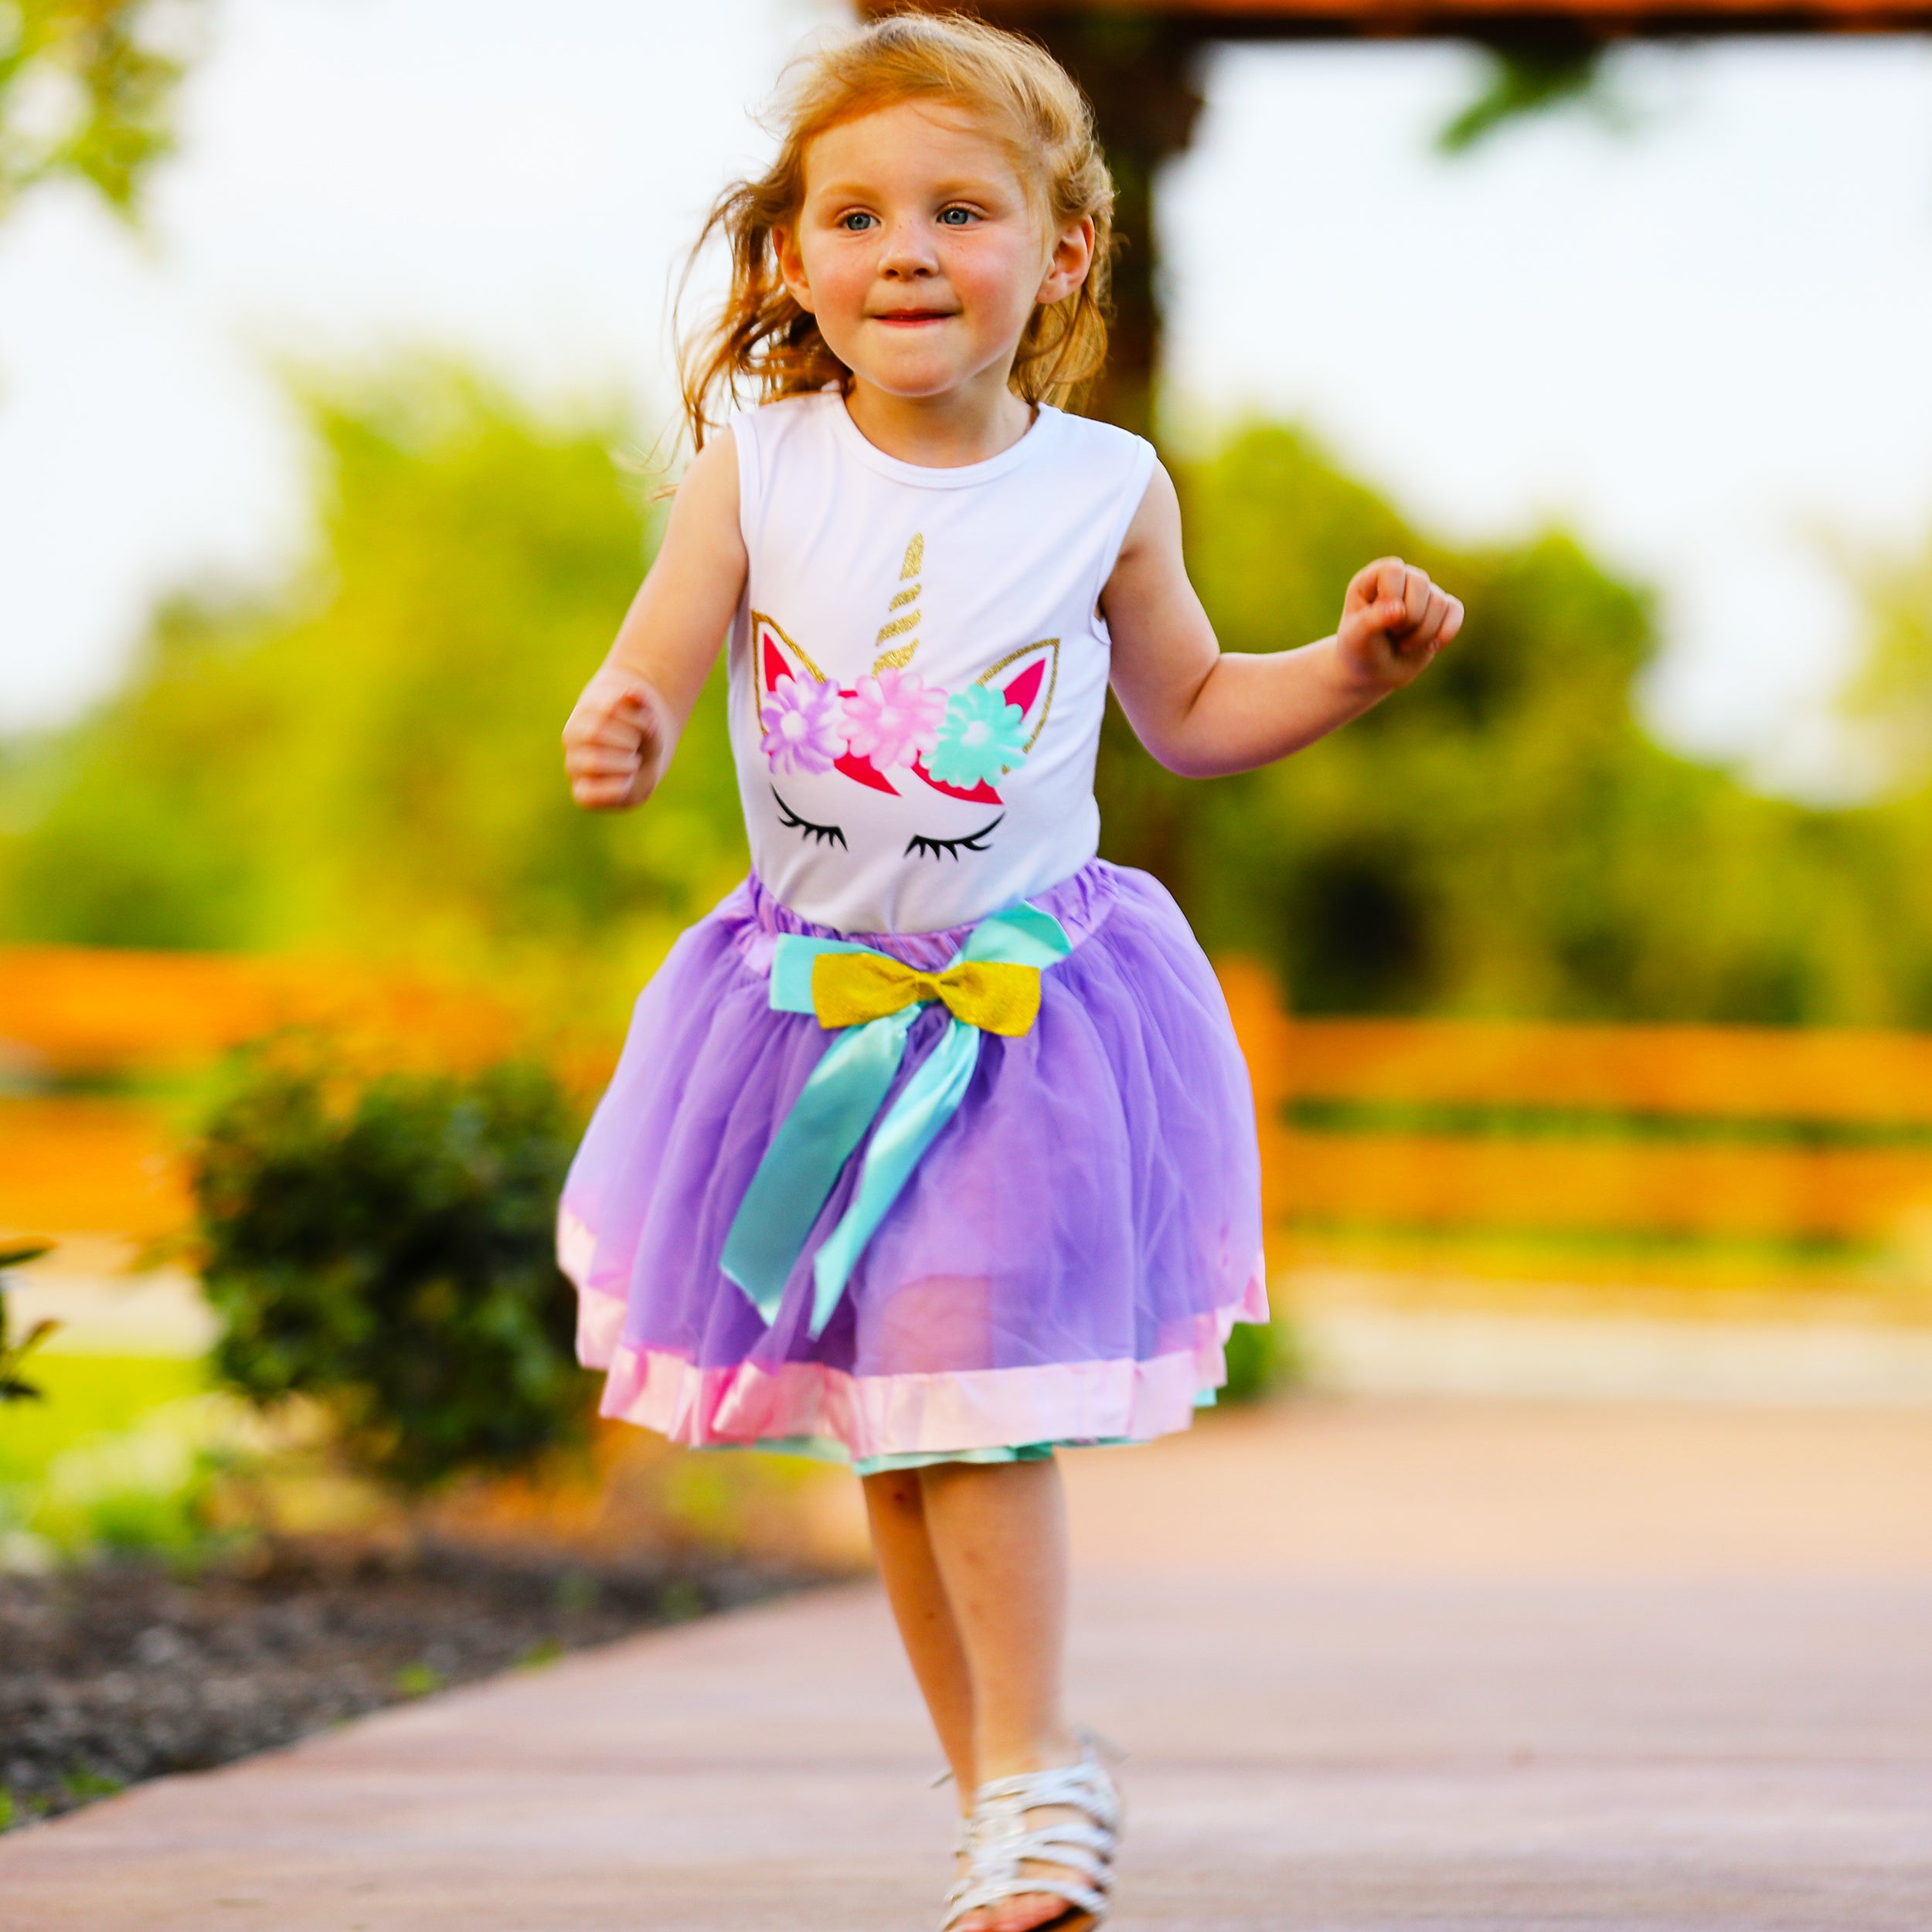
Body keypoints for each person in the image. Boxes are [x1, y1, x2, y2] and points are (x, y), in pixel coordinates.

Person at [557, 14, 1462, 1930]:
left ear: (1056, 253)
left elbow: (1196, 707)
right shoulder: (757, 462)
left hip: (1020, 1019)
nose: (905, 251)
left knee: (970, 1388)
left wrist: (1348, 667)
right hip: (804, 1017)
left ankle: (1039, 1776)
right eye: (857, 214)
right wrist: (624, 724)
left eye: (959, 212)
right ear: (794, 257)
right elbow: (652, 651)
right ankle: (1005, 1806)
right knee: (896, 1433)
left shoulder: (1103, 482)